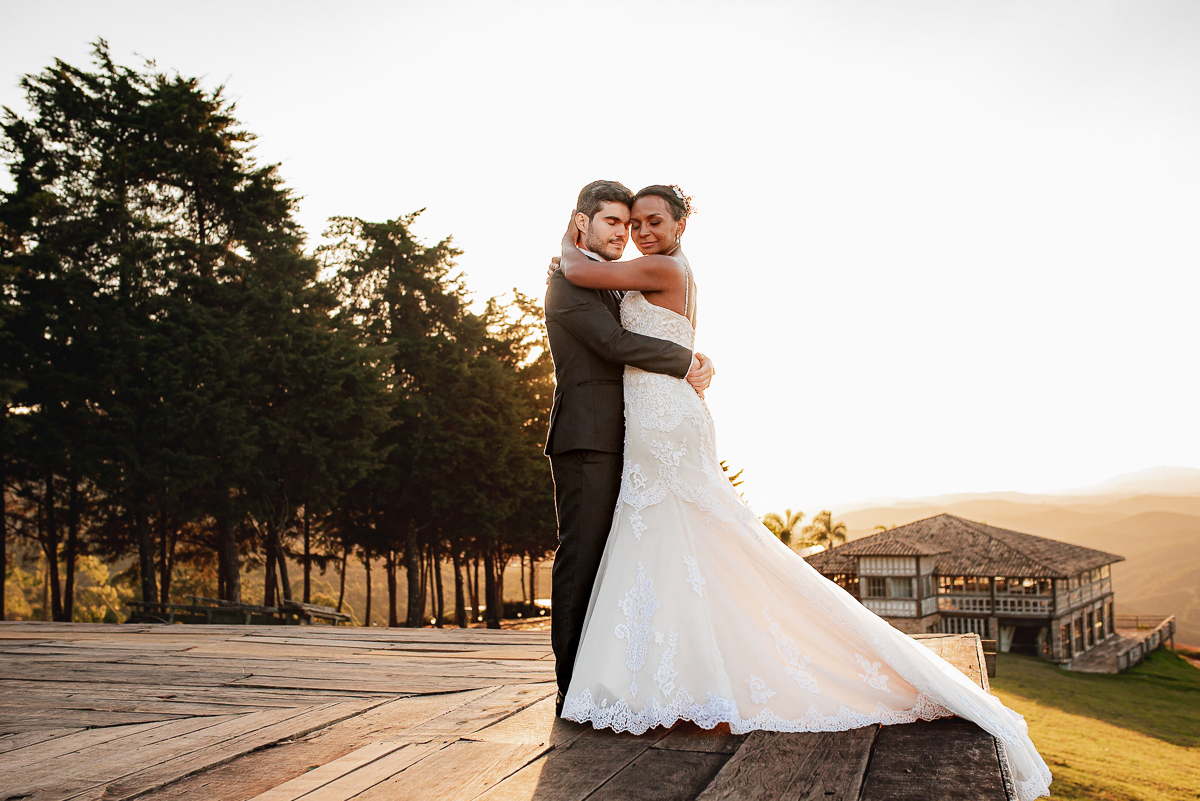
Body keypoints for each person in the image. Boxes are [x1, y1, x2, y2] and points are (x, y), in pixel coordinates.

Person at [551, 184, 1052, 801]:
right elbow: (619, 325)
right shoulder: (646, 270)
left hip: (664, 418)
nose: (641, 231)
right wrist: (687, 356)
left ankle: (654, 679)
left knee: (680, 533)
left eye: (652, 221)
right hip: (651, 413)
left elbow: (580, 272)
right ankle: (658, 675)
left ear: (680, 225)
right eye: (631, 222)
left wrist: (566, 244)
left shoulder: (650, 265)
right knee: (667, 539)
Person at [543, 180, 715, 718]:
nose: (627, 233)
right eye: (614, 223)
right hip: (588, 440)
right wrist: (683, 359)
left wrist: (689, 355)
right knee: (582, 561)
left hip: (637, 439)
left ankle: (623, 675)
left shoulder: (620, 281)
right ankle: (572, 688)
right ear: (583, 222)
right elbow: (615, 345)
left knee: (628, 564)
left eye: (633, 223)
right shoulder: (565, 284)